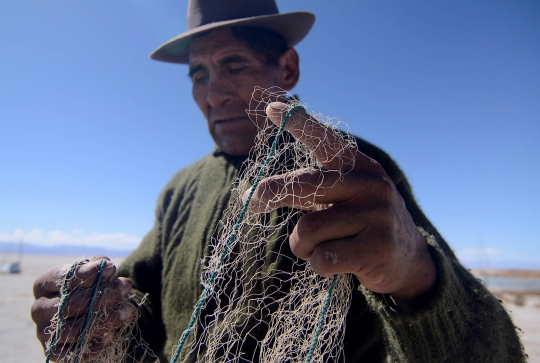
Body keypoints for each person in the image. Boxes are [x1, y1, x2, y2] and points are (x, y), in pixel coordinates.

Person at [31, 1, 525, 362]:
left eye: (233, 65)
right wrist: (85, 308)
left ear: (286, 68)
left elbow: (492, 351)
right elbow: (137, 295)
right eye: (198, 75)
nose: (213, 93)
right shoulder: (182, 188)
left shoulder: (357, 173)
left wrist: (415, 274)